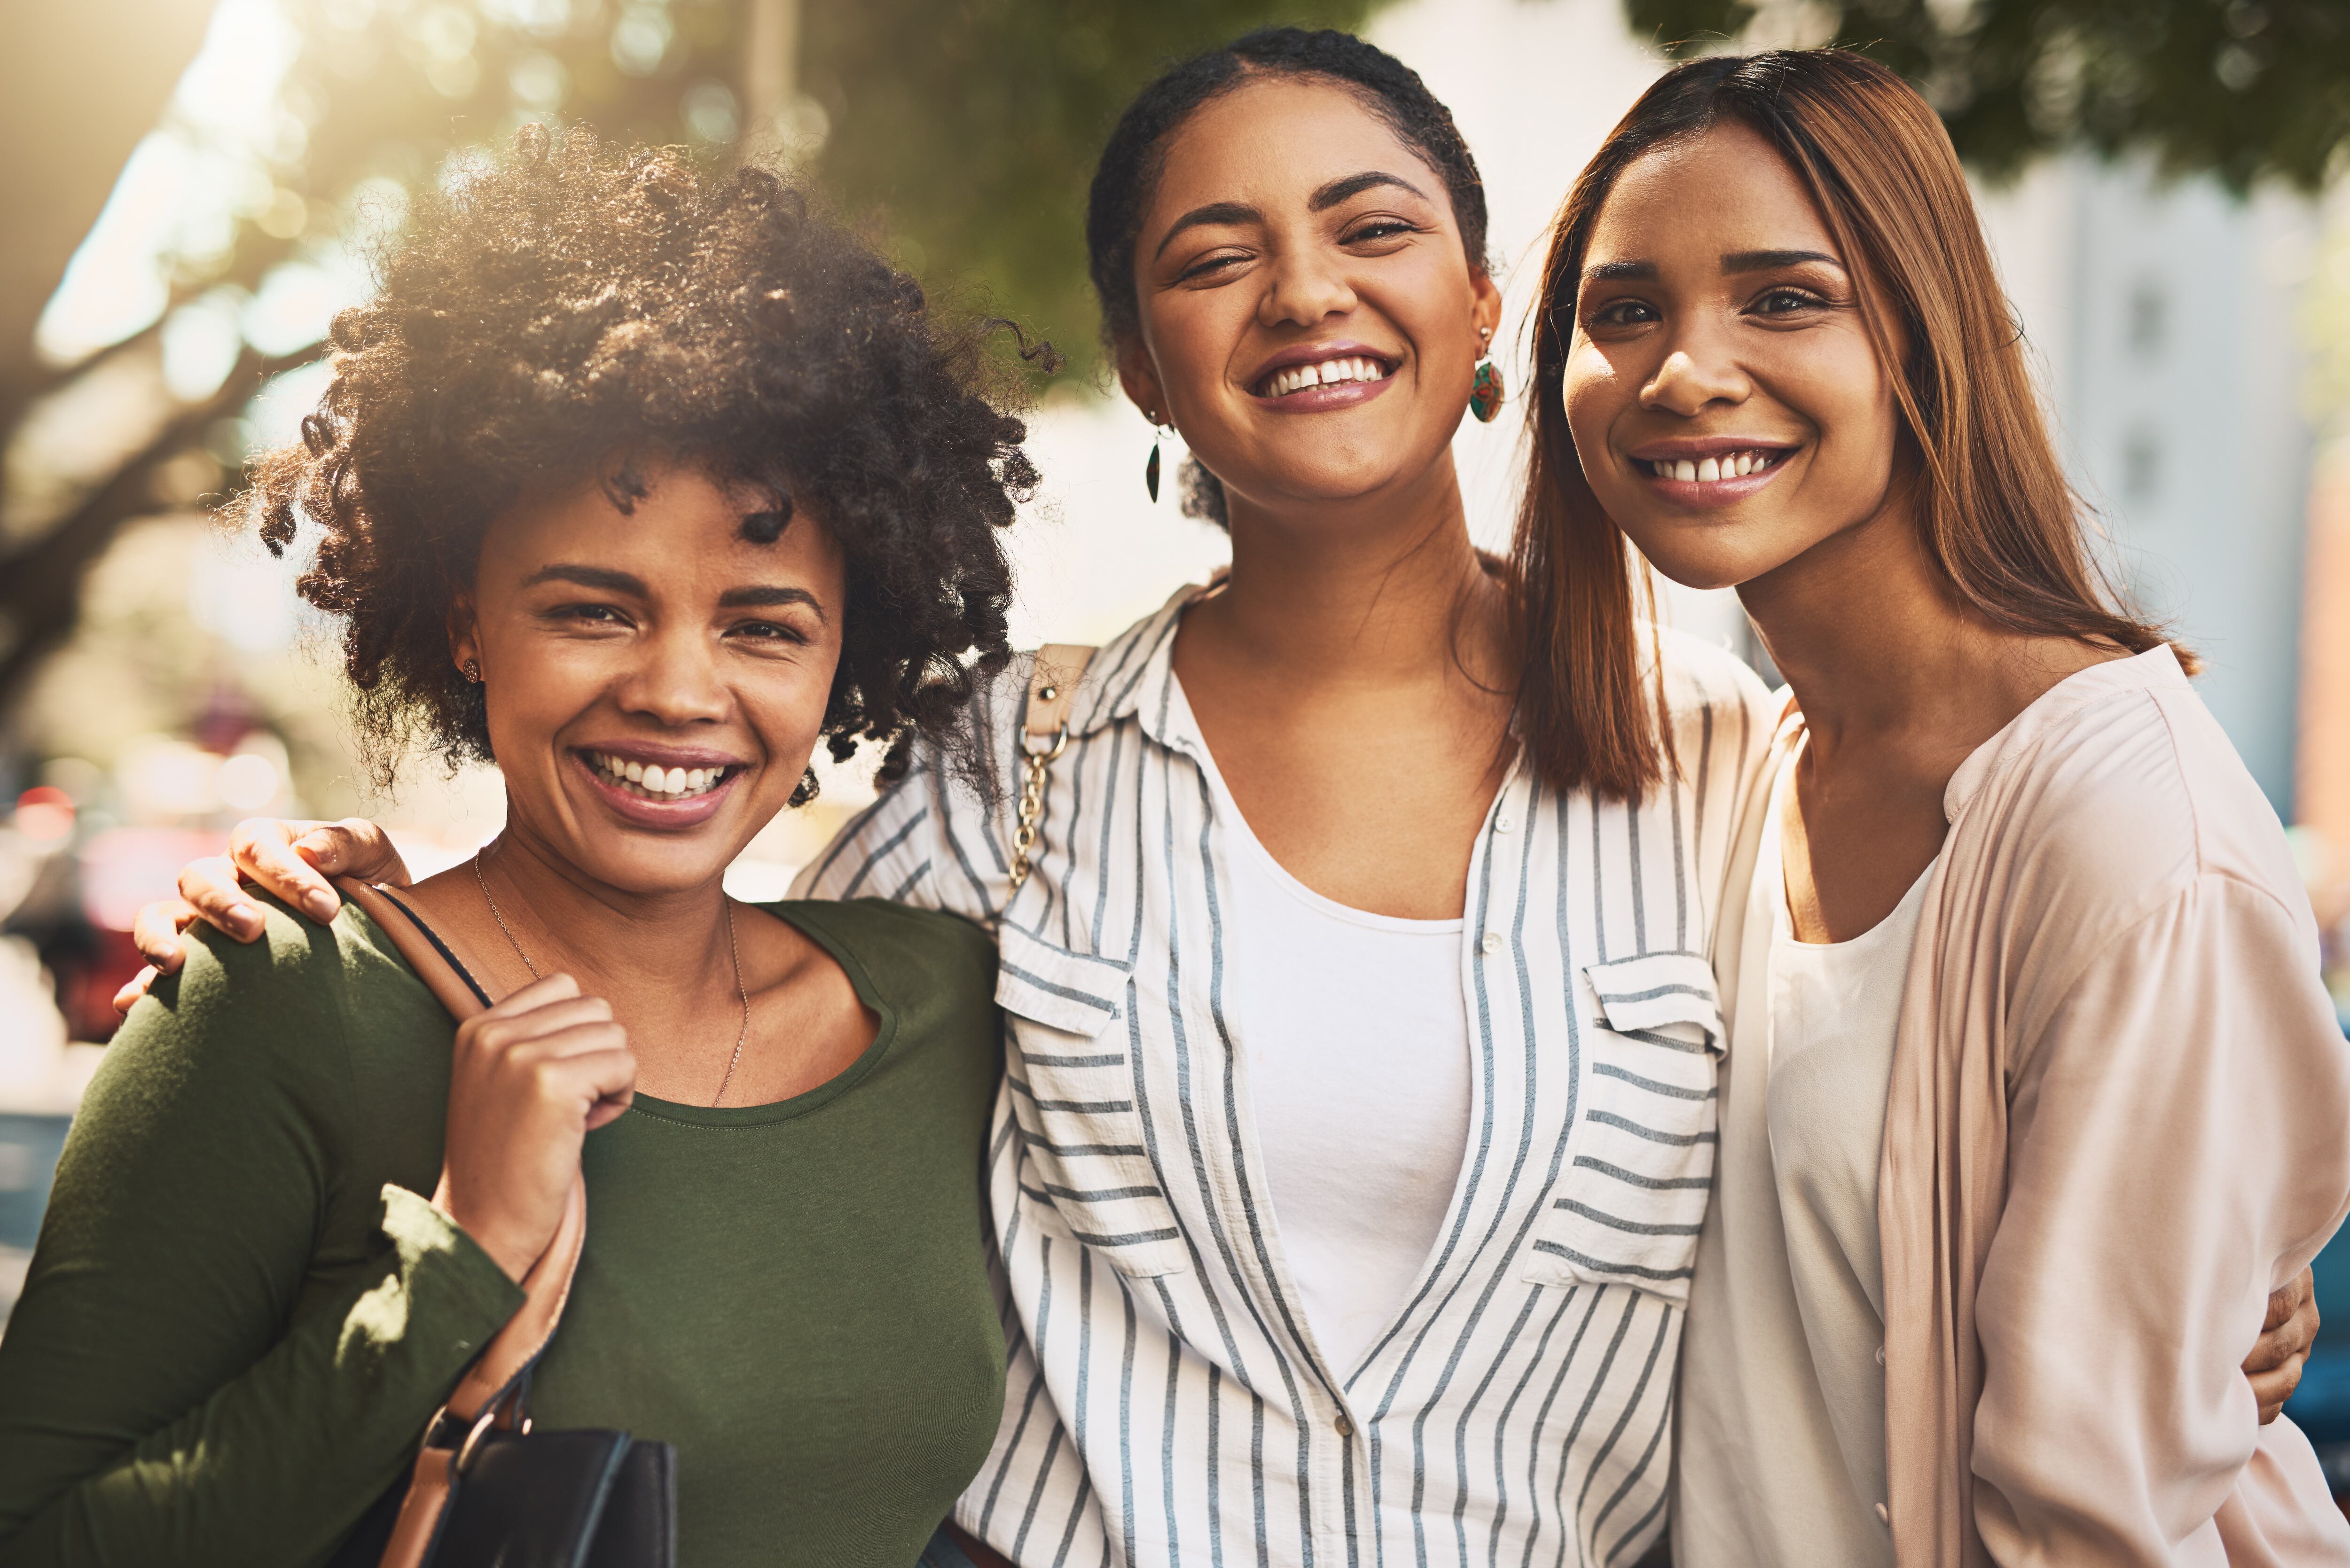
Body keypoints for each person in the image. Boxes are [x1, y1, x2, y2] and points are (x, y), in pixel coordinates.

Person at [121, 31, 2321, 1568]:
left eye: (1369, 227)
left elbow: (1900, 1156)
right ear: (1148, 367)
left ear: (1482, 313)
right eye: (1206, 258)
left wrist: (2198, 1275)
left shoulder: (1730, 773)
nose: (1299, 291)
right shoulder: (1018, 770)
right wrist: (363, 937)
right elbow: (686, 1004)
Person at [0, 130, 1032, 1566]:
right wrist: (457, 1259)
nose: (680, 689)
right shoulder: (282, 1002)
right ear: (467, 616)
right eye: (593, 609)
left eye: (763, 623)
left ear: (847, 646)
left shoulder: (946, 1010)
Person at [1526, 48, 2350, 1563]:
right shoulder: (1734, 771)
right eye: (1624, 309)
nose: (1683, 369)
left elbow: (2093, 1520)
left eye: (1785, 298)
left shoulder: (2129, 838)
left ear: (1927, 336)